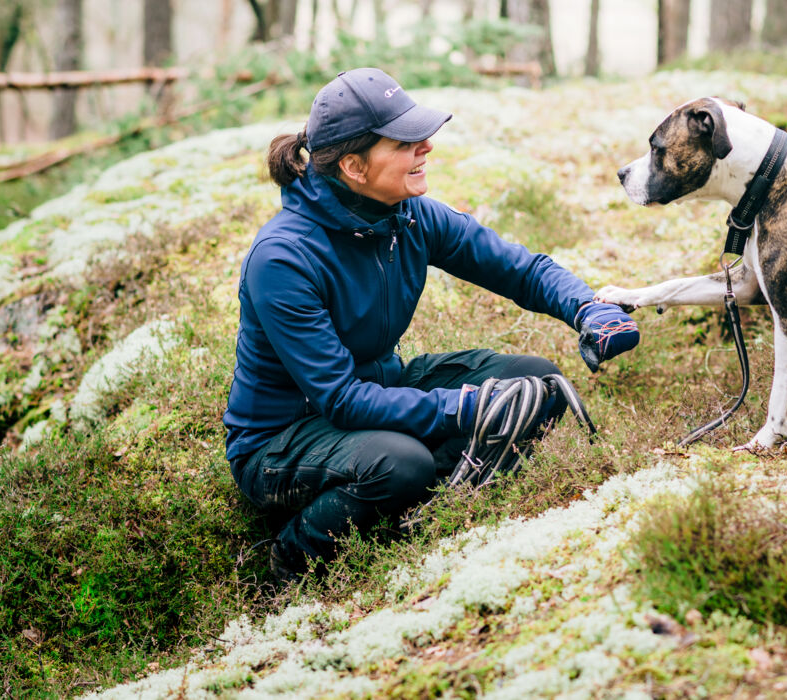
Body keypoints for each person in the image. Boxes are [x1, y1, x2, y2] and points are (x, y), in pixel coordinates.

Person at [223, 68, 640, 582]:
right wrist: (463, 408)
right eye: (405, 141)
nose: (426, 148)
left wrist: (587, 308)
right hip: (280, 441)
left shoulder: (411, 215)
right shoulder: (283, 258)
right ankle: (287, 560)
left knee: (536, 378)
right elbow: (342, 400)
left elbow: (521, 269)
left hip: (379, 388)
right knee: (402, 463)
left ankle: (417, 513)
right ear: (354, 166)